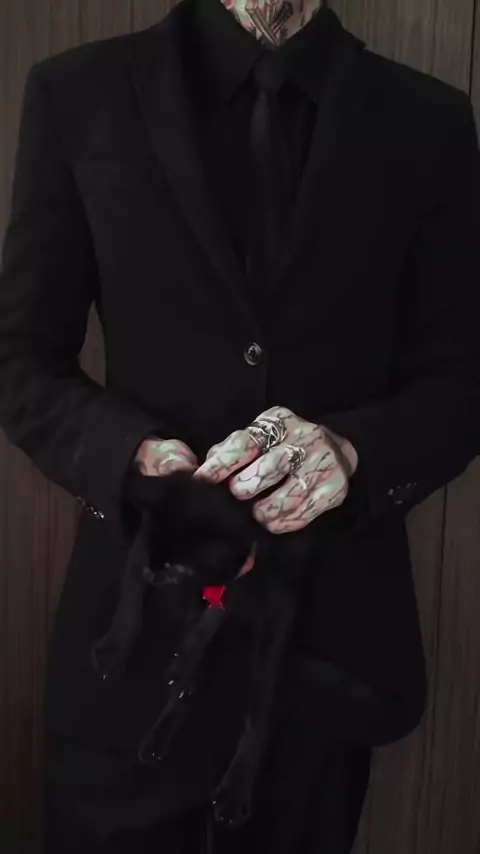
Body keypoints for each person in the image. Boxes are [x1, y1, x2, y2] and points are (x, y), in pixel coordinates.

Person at [0, 0, 479, 851]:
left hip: (323, 670)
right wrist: (127, 456)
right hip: (126, 656)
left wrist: (354, 455)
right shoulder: (76, 94)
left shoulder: (430, 120)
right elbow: (20, 358)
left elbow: (462, 379)